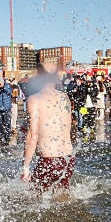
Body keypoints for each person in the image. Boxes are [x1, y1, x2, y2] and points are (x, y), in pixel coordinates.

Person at [21, 63, 75, 196]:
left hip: (48, 160)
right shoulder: (64, 97)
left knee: (35, 198)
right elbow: (69, 127)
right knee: (62, 197)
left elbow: (33, 135)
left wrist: (26, 167)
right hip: (68, 158)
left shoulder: (34, 100)